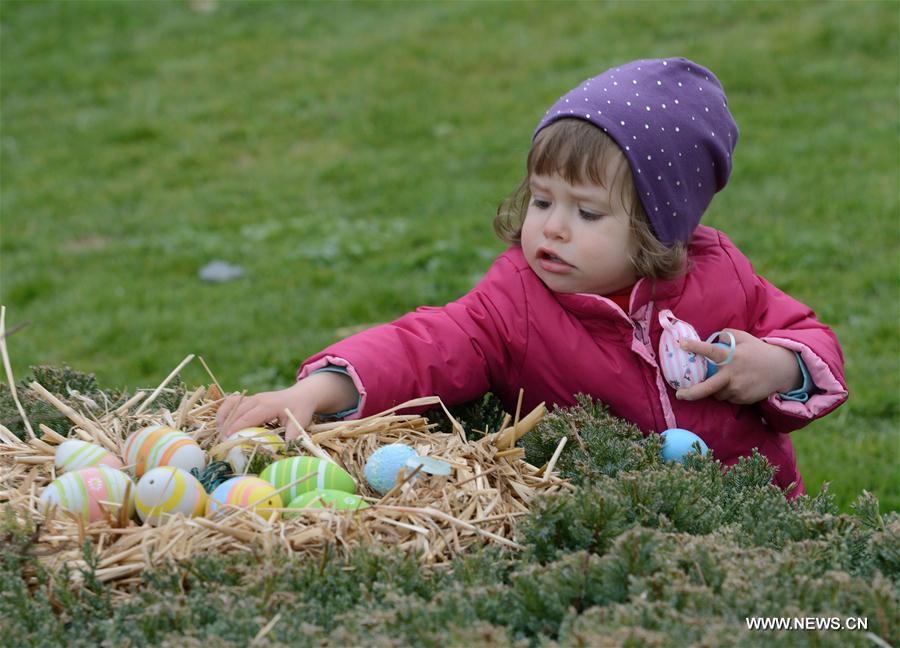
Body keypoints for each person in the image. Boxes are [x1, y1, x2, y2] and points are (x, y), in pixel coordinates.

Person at [217, 57, 848, 498]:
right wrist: (317, 392)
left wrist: (779, 367)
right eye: (542, 200)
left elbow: (810, 339)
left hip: (756, 512)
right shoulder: (519, 301)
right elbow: (424, 345)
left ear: (661, 224)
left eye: (587, 211)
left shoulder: (722, 275)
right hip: (617, 530)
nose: (551, 228)